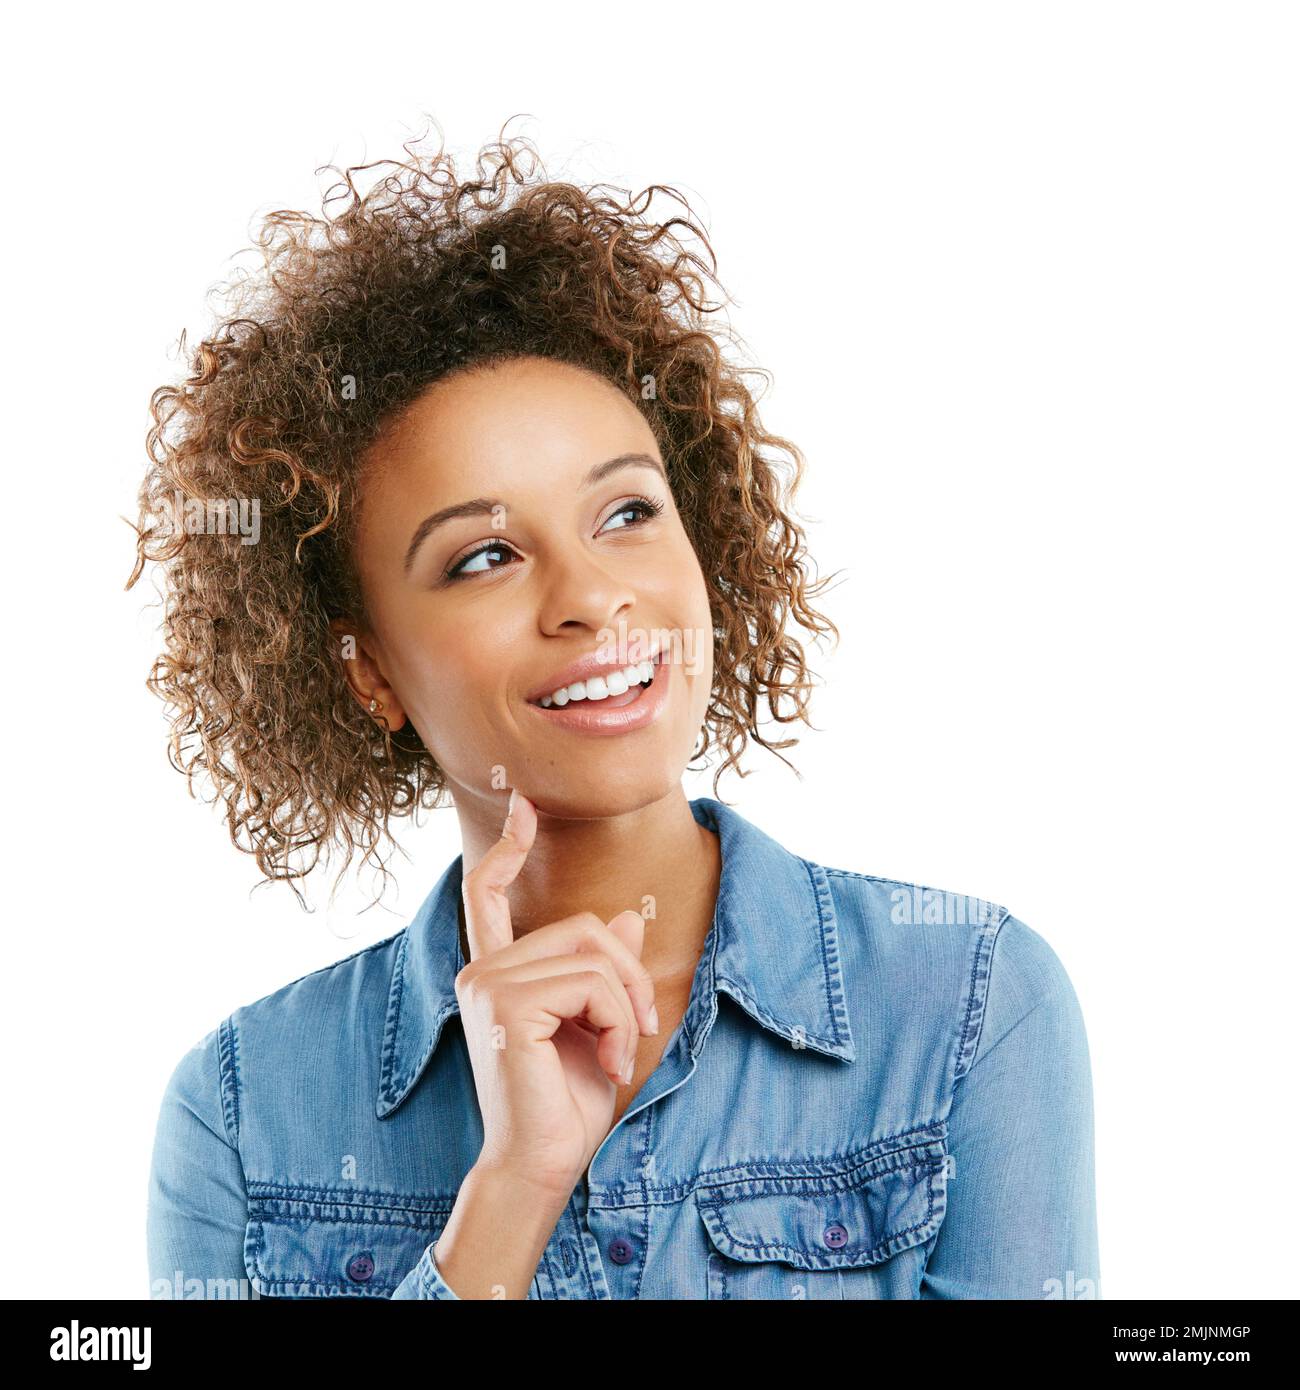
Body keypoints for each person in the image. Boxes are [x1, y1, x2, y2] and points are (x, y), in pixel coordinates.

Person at [132, 126, 1099, 1300]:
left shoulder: (965, 1005)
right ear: (366, 668)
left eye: (626, 513)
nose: (592, 596)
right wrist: (514, 1190)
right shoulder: (245, 1112)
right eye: (485, 554)